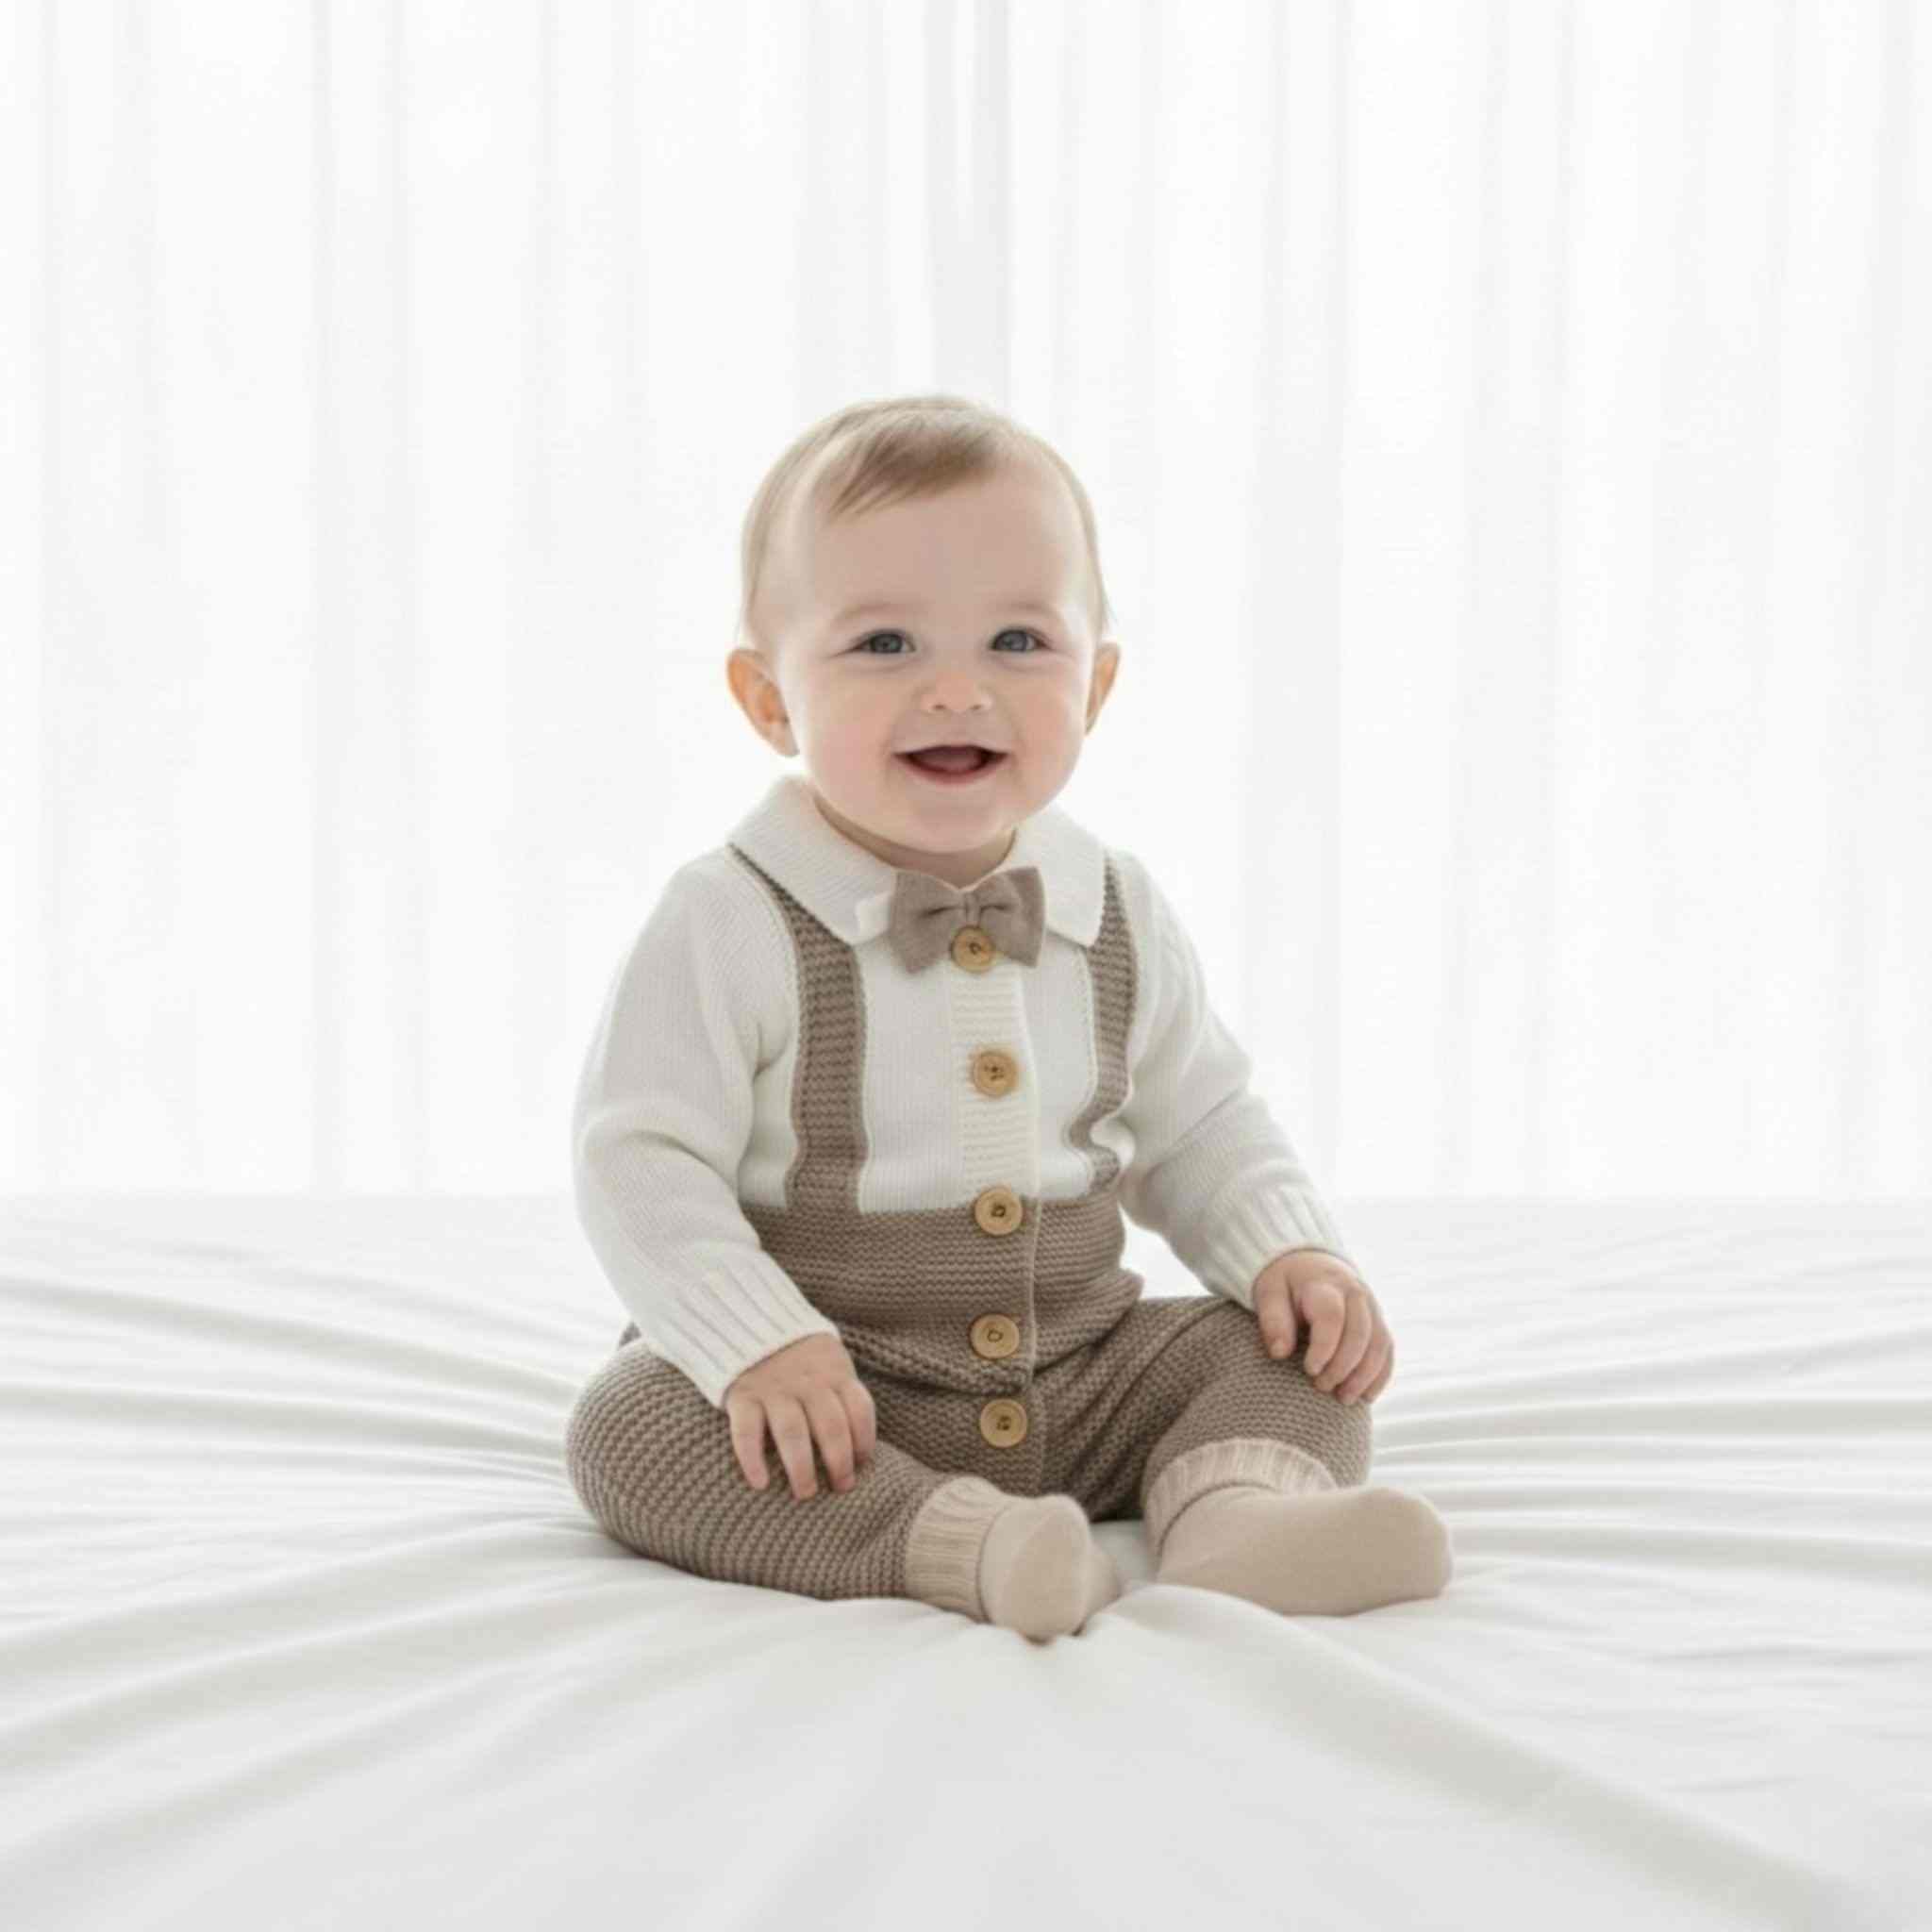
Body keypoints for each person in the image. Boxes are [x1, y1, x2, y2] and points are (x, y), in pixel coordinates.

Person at [563, 392, 1452, 1641]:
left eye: (1019, 642)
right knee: (633, 1428)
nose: (956, 690)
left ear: (1097, 684)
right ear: (768, 701)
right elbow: (640, 1161)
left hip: (1080, 1373)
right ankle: (958, 1544)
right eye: (884, 644)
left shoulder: (1112, 906)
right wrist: (756, 1345)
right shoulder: (730, 917)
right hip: (835, 1398)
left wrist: (1288, 1255)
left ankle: (1235, 1518)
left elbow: (1200, 1121)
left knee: (1295, 1357)